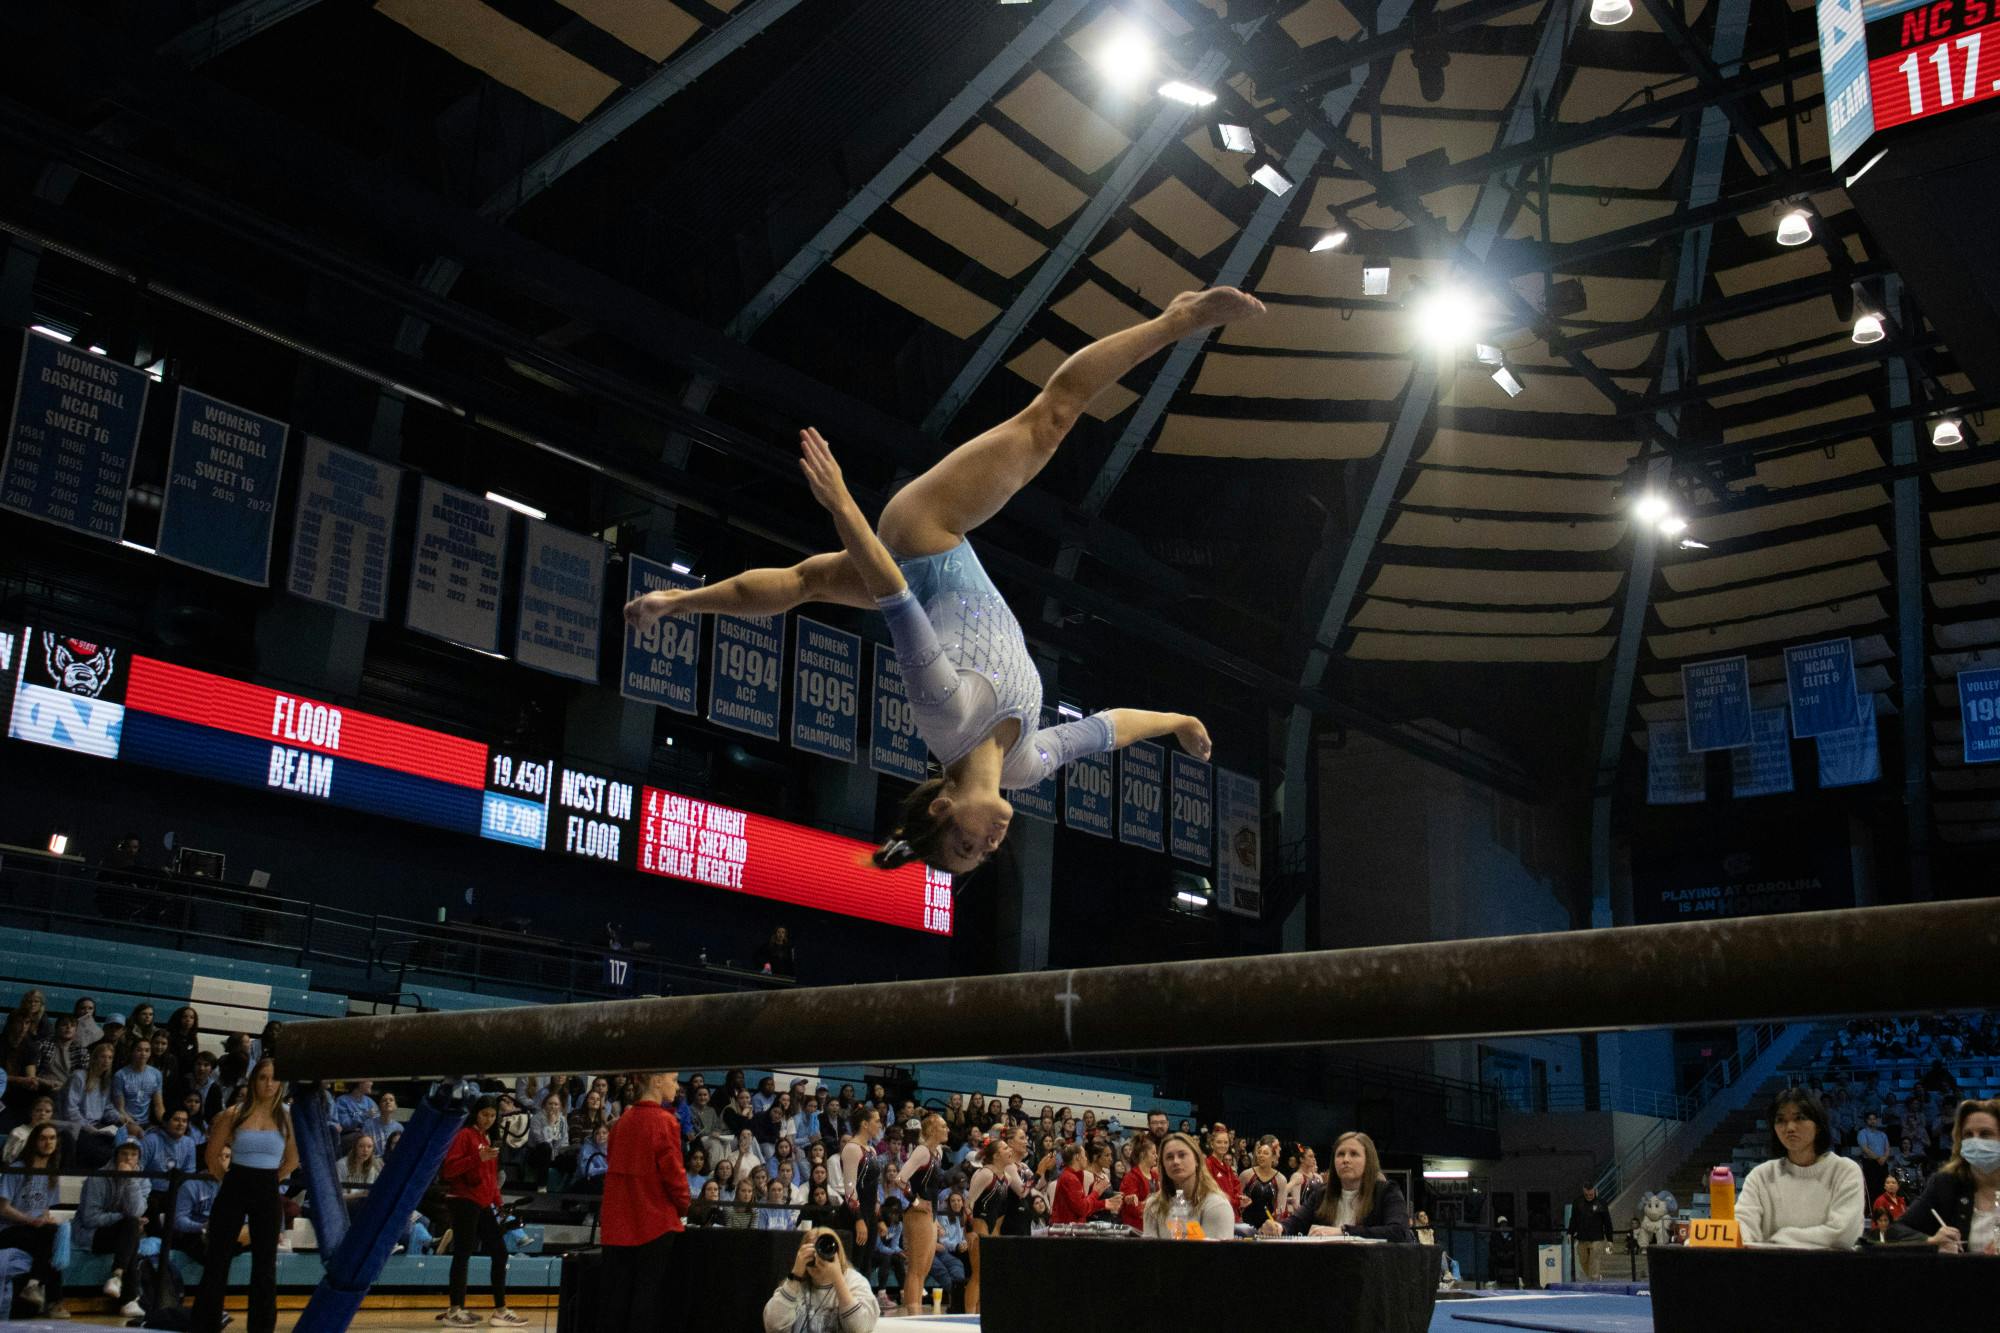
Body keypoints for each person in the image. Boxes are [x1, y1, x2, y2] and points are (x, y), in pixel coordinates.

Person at [622, 290, 1264, 876]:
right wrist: (1178, 719)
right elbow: (1109, 727)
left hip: (922, 533)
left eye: (965, 845)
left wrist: (843, 504)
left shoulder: (945, 717)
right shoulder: (1026, 766)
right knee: (804, 583)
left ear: (941, 809)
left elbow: (894, 600)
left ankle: (1177, 319)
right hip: (922, 571)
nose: (986, 846)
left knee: (1051, 420)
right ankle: (675, 599)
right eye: (981, 857)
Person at [193, 1058, 297, 1333]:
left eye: (274, 1078)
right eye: (263, 1077)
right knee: (217, 1258)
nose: (269, 1084)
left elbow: (292, 1159)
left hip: (267, 1189)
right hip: (235, 1183)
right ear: (253, 1081)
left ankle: (261, 1329)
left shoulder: (287, 1116)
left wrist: (270, 1179)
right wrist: (228, 1180)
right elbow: (211, 1156)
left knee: (264, 1266)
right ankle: (205, 1324)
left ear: (281, 1083)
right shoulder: (233, 1113)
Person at [599, 1069, 693, 1333]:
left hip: (618, 1226)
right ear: (657, 1081)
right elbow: (674, 1175)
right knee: (649, 1300)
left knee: (616, 1302)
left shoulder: (621, 1124)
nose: (676, 1086)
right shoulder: (665, 1122)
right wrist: (685, 1205)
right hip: (655, 1223)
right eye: (674, 1080)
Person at [1736, 1086, 1865, 1249]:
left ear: (1818, 1125)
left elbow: (1843, 1234)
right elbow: (1742, 1228)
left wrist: (1782, 1238)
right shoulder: (1760, 1175)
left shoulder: (1844, 1171)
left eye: (1799, 1118)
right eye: (1780, 1120)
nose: (1789, 1128)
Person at [436, 1097, 523, 1327]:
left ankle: (500, 1310)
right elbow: (449, 1169)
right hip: (463, 1200)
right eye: (485, 1114)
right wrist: (477, 1157)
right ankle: (454, 1309)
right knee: (463, 1253)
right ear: (476, 1113)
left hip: (482, 1203)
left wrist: (499, 1203)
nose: (488, 1119)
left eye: (492, 1115)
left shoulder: (488, 1139)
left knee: (500, 1251)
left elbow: (491, 1179)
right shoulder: (465, 1135)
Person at [1890, 1097, 2000, 1253]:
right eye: (1968, 1135)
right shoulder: (1945, 1184)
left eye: (1985, 1134)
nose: (1975, 1141)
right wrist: (1931, 1241)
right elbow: (1894, 1231)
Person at [1274, 1132, 1412, 1240]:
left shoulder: (1387, 1191)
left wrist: (1344, 1232)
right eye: (1340, 1154)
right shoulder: (1321, 1194)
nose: (1345, 1160)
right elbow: (1296, 1222)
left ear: (1368, 1161)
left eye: (1354, 1154)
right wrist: (1279, 1227)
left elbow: (1398, 1232)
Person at [0, 1121, 68, 1315]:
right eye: (43, 1138)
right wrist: (31, 1220)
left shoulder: (51, 1174)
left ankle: (34, 1284)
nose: (48, 1142)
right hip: (8, 1230)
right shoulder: (17, 1168)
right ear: (34, 1141)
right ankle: (53, 1300)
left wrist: (46, 1219)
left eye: (52, 1138)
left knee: (53, 1235)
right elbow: (3, 1208)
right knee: (49, 1237)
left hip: (35, 1230)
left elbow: (44, 1208)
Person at [76, 1138, 149, 1319]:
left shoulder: (143, 1179)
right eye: (124, 1154)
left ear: (138, 1159)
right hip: (92, 1235)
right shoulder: (97, 1178)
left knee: (131, 1231)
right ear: (115, 1156)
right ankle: (129, 1299)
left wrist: (130, 1180)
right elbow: (89, 1218)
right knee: (132, 1230)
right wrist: (121, 1217)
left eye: (133, 1155)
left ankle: (117, 1278)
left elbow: (137, 1210)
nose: (128, 1159)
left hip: (122, 1235)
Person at [763, 1227, 877, 1333]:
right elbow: (772, 1326)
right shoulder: (795, 1283)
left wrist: (837, 1278)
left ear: (837, 1253)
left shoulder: (854, 1282)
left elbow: (861, 1328)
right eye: (812, 1252)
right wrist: (795, 1274)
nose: (817, 1258)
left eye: (823, 1250)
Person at [897, 1112, 947, 1314]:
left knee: (924, 1269)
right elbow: (900, 1179)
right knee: (916, 1268)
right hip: (917, 1214)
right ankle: (913, 1316)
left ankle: (916, 1312)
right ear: (932, 1129)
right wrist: (916, 1201)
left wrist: (936, 1219)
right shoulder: (922, 1151)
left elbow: (934, 1187)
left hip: (930, 1214)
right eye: (943, 1126)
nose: (947, 1130)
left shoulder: (938, 1153)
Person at [1142, 1132, 1233, 1239]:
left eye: (1182, 1155)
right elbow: (1148, 1253)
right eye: (1169, 1157)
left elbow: (1217, 1254)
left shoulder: (1217, 1205)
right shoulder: (1153, 1205)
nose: (1175, 1161)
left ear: (1197, 1160)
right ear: (1163, 1165)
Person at [1568, 1181, 1614, 1280]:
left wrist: (1610, 1239)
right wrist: (1569, 1232)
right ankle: (1594, 1277)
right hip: (1582, 1237)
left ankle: (1595, 1279)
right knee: (1583, 1260)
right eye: (1586, 1194)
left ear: (1595, 1191)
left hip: (1597, 1237)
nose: (1589, 1196)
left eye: (1591, 1194)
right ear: (1583, 1192)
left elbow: (1607, 1222)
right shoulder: (1577, 1202)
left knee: (1594, 1260)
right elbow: (1574, 1219)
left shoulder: (1601, 1203)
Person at [1240, 1135, 1286, 1231]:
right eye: (1259, 1152)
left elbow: (1281, 1209)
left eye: (1265, 1153)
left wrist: (1277, 1218)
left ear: (1273, 1157)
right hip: (1246, 1228)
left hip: (1268, 1229)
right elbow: (1236, 1202)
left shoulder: (1281, 1180)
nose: (1261, 1155)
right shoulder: (1246, 1175)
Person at [1204, 1123, 1243, 1223]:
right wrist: (1237, 1202)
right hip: (1216, 1215)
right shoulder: (1207, 1164)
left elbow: (1237, 1186)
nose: (1223, 1145)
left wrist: (1241, 1199)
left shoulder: (1227, 1167)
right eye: (1219, 1142)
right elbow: (1212, 1192)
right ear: (1212, 1144)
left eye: (1226, 1142)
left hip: (1231, 1214)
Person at [1119, 1133, 1159, 1230]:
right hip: (1135, 1229)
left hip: (1152, 1226)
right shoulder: (1131, 1177)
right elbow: (1133, 1209)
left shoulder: (1155, 1176)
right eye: (1153, 1153)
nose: (1156, 1156)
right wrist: (1155, 1198)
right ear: (1142, 1155)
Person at [1854, 1109, 1892, 1205]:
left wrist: (1884, 1158)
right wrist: (1878, 1158)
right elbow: (1865, 1148)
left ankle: (1884, 1208)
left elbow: (1887, 1149)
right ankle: (1872, 1211)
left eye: (1874, 1119)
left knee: (1884, 1187)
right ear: (1866, 1121)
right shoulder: (1862, 1133)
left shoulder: (1882, 1134)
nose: (1872, 1121)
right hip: (1870, 1164)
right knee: (1871, 1188)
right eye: (1870, 1119)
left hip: (1883, 1163)